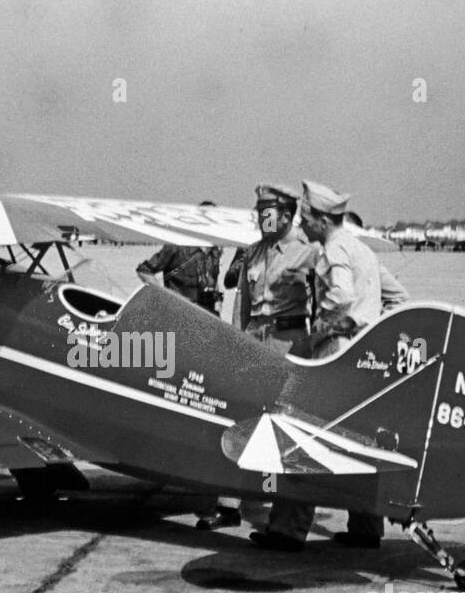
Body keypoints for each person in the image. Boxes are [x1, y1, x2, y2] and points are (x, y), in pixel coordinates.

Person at [250, 181, 392, 553]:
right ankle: (366, 527)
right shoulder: (362, 249)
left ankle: (286, 531)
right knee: (357, 441)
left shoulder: (333, 248)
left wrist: (327, 329)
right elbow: (397, 297)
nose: (302, 224)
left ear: (319, 218)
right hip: (362, 361)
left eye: (305, 217)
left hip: (333, 356)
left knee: (303, 439)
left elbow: (341, 295)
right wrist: (366, 328)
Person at [198, 182, 320, 531]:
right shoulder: (251, 253)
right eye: (258, 210)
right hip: (255, 341)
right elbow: (242, 307)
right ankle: (228, 505)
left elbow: (324, 304)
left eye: (265, 211)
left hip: (290, 343)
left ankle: (288, 525)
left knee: (289, 431)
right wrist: (235, 347)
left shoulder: (309, 253)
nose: (259, 217)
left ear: (286, 214)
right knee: (236, 417)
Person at [136, 237, 221, 313]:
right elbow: (144, 271)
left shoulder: (215, 250)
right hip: (179, 313)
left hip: (208, 314)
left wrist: (218, 301)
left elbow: (212, 280)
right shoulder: (176, 247)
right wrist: (163, 295)